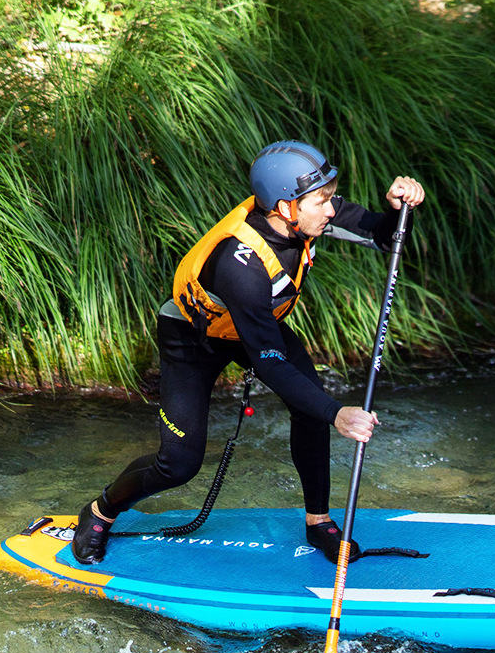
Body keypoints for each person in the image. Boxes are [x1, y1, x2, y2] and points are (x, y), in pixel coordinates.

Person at [71, 139, 425, 566]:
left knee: (310, 410)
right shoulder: (240, 263)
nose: (331, 210)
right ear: (284, 207)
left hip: (255, 329)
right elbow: (269, 362)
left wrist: (396, 208)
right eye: (322, 201)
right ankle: (100, 511)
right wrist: (337, 413)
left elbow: (384, 237)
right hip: (193, 337)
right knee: (179, 463)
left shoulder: (305, 214)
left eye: (330, 198)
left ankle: (318, 521)